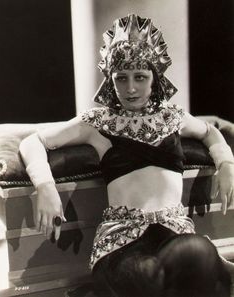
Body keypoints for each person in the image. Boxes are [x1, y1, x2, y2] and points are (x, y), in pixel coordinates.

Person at [19, 14, 234, 297]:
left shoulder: (174, 117)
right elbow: (33, 142)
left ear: (155, 79)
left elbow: (210, 132)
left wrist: (227, 164)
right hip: (122, 240)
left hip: (175, 231)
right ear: (111, 79)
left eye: (140, 78)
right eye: (121, 78)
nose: (130, 88)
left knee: (198, 253)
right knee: (148, 276)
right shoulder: (97, 121)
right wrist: (45, 187)